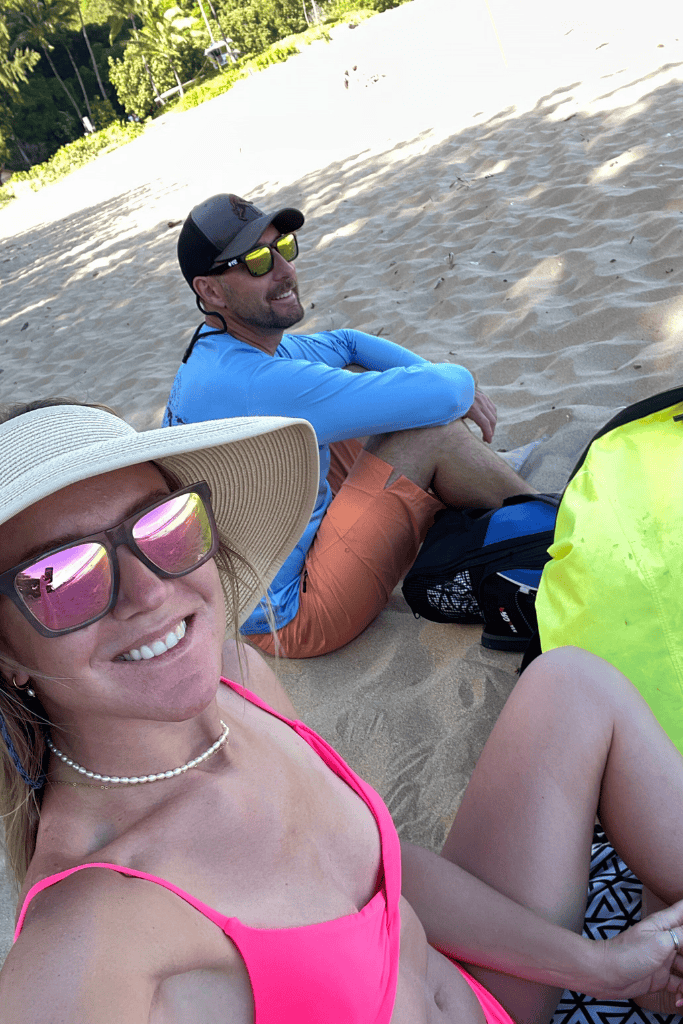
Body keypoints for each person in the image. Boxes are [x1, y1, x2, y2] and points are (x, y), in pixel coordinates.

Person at [3, 400, 683, 1024]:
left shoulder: (239, 683)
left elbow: (378, 876)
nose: (150, 592)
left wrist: (602, 967)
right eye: (61, 580)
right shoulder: (84, 943)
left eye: (164, 525)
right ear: (8, 654)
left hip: (485, 996)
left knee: (571, 684)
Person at [164, 192, 538, 658]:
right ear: (212, 292)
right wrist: (463, 384)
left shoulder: (220, 347)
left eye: (284, 247)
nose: (285, 269)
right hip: (287, 614)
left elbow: (347, 343)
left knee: (365, 398)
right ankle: (557, 527)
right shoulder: (250, 383)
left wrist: (436, 380)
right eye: (257, 261)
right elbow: (447, 393)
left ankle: (482, 480)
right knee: (429, 432)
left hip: (260, 571)